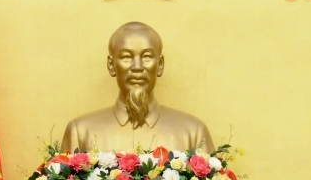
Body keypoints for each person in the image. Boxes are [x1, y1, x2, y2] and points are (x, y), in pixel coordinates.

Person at [60, 22, 214, 153]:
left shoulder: (193, 133)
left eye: (147, 57)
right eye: (126, 57)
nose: (137, 67)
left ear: (160, 65)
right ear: (111, 65)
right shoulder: (80, 133)